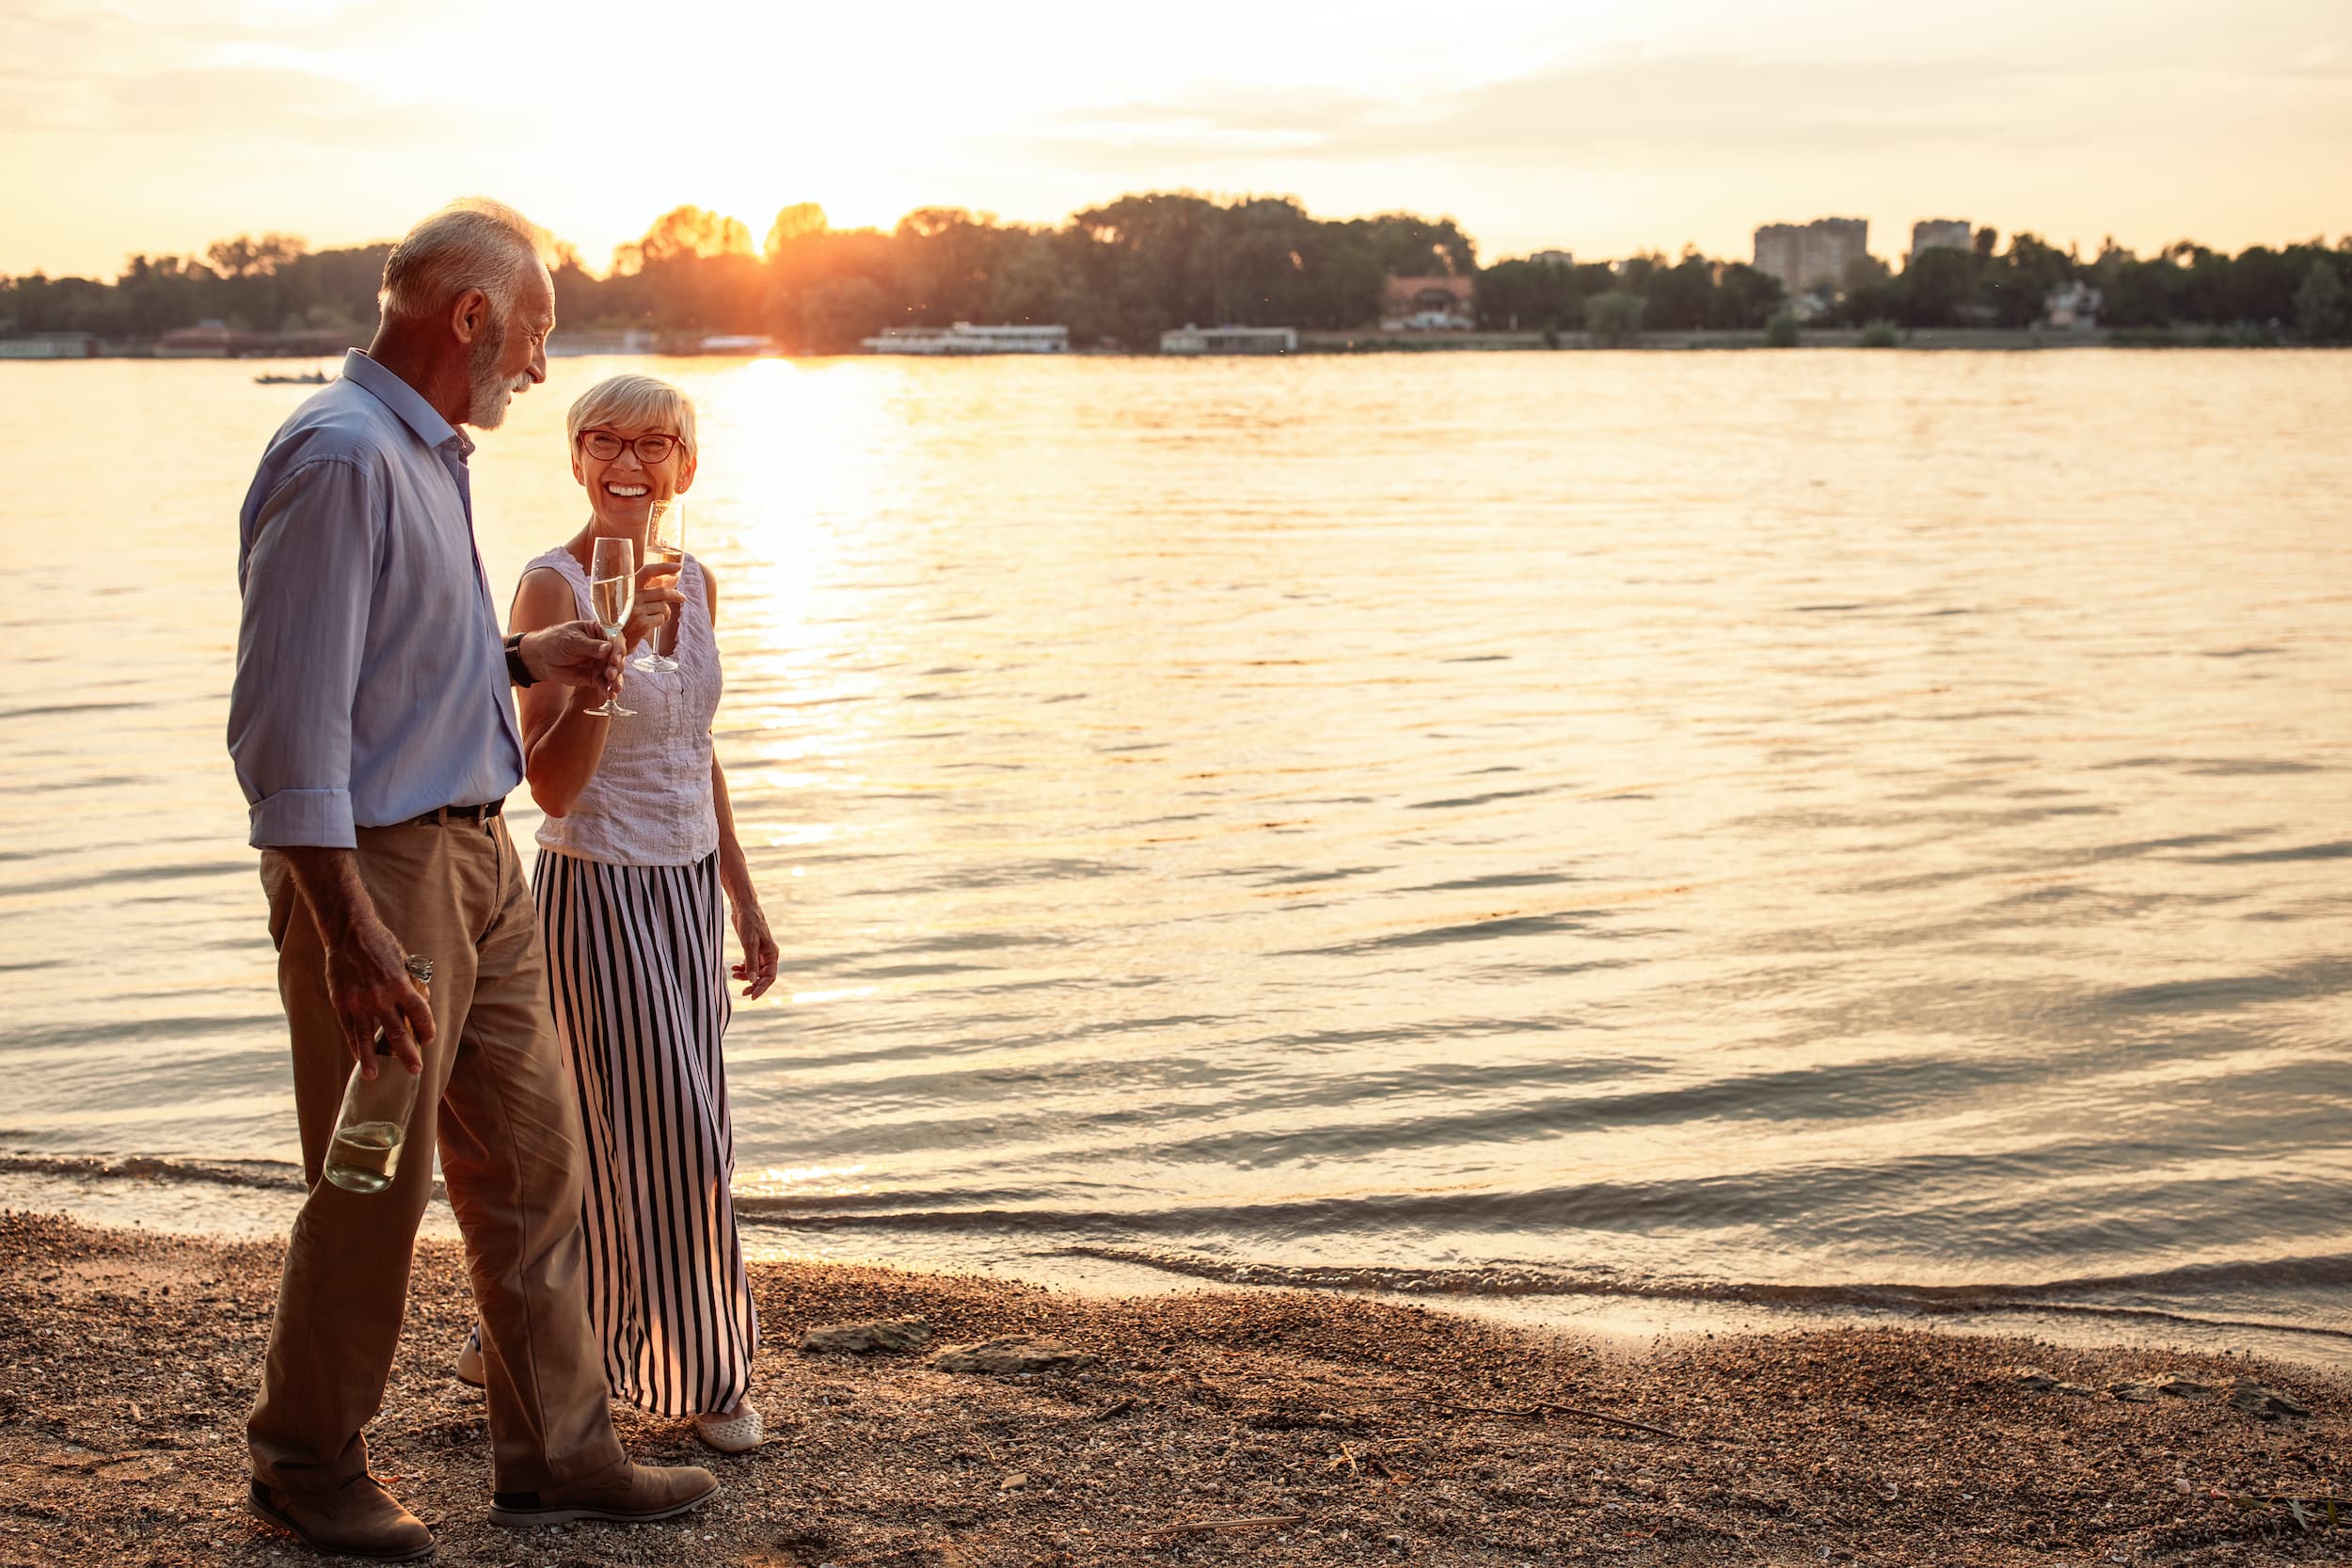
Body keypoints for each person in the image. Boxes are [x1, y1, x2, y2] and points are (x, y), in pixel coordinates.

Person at [227, 199, 720, 1561]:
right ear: (473, 316)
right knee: (372, 1176)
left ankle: (561, 1452)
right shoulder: (338, 457)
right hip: (380, 872)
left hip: (478, 854)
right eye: (540, 332)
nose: (544, 369)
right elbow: (289, 724)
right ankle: (304, 1462)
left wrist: (529, 665)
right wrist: (351, 928)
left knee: (535, 1161)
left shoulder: (422, 454)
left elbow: (391, 669)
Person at [481, 372, 779, 1454]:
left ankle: (524, 1330)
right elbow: (548, 786)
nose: (628, 461)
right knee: (670, 1142)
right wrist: (608, 658)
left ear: (686, 467)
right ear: (574, 459)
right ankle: (706, 1378)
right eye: (603, 438)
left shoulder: (698, 579)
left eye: (655, 443)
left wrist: (743, 899)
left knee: (650, 1131)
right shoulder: (548, 586)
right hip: (596, 887)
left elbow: (695, 748)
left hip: (686, 886)